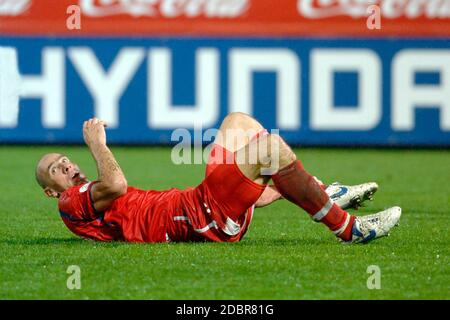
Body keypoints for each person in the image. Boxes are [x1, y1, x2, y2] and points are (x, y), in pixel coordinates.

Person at [35, 113, 401, 244]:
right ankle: (347, 228)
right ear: (52, 192)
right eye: (58, 169)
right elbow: (115, 183)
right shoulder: (72, 202)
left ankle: (322, 196)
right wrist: (97, 143)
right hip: (202, 217)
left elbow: (113, 189)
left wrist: (279, 190)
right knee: (270, 149)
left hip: (202, 205)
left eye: (66, 161)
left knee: (238, 122)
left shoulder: (89, 195)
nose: (67, 166)